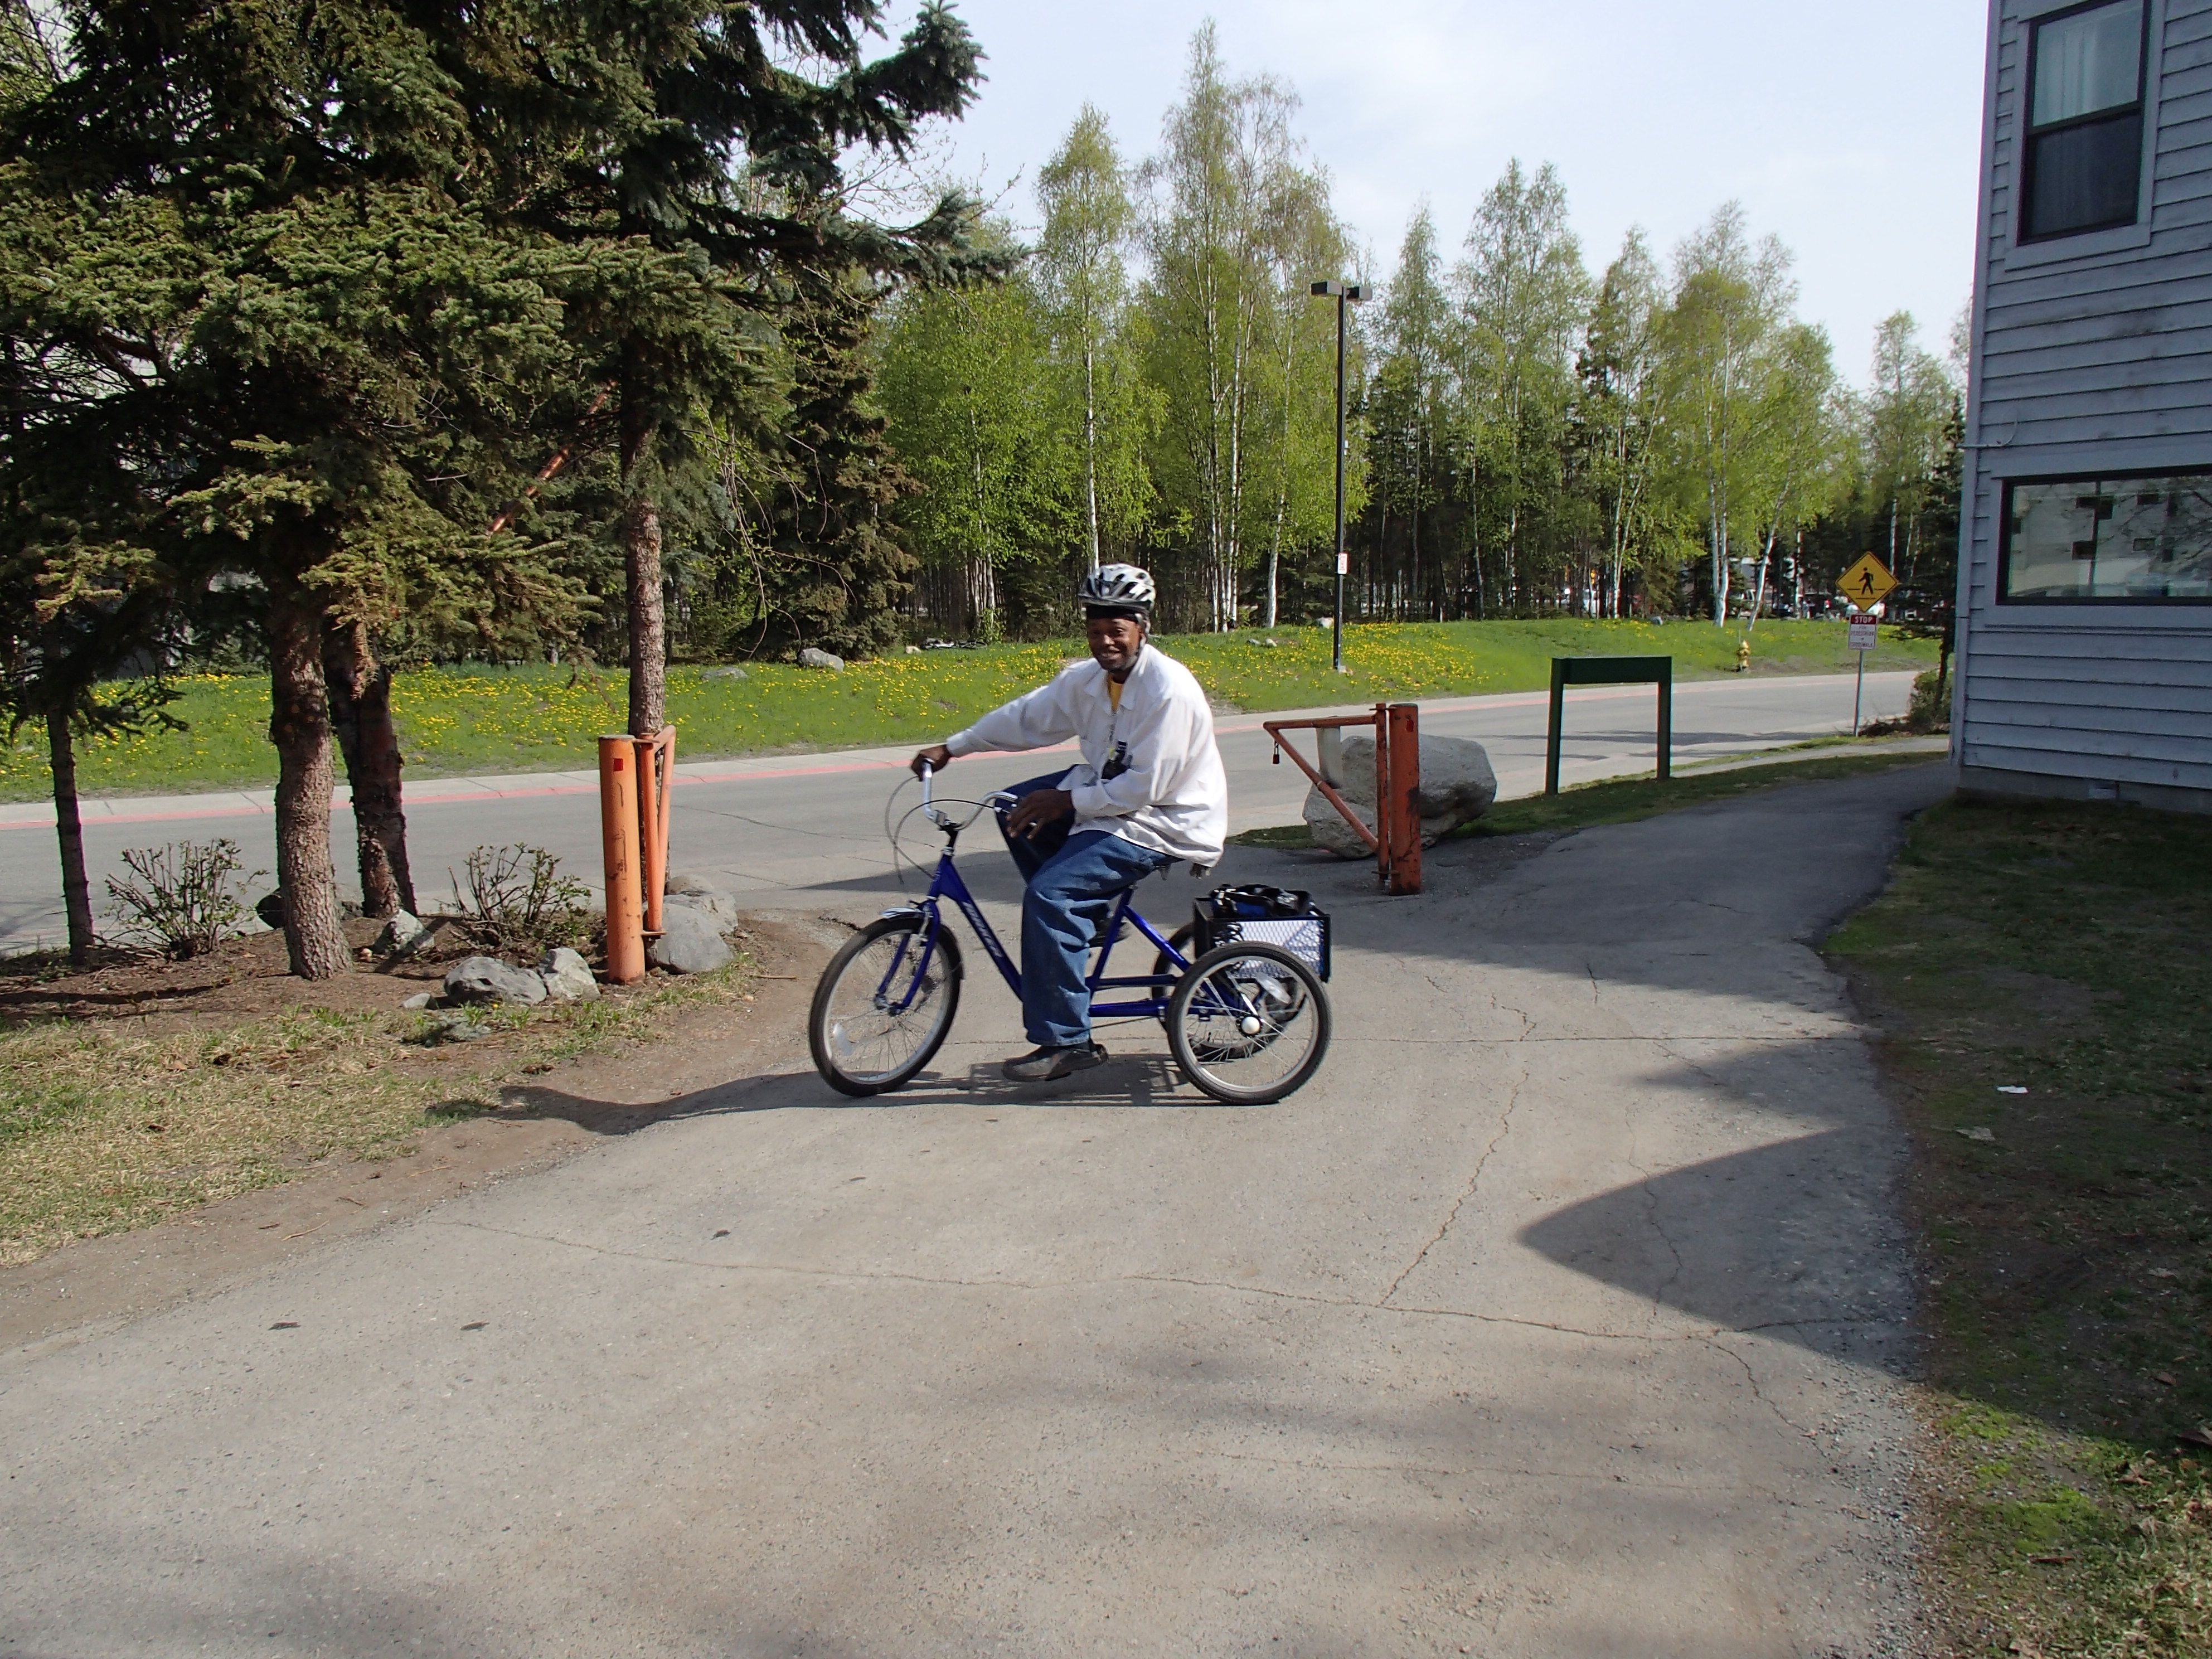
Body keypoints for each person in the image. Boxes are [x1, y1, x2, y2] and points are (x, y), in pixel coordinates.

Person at [911, 564, 1228, 1081]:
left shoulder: (1168, 690)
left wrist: (1069, 802)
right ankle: (1096, 917)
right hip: (1115, 797)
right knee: (1013, 806)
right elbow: (1025, 717)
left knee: (1051, 896)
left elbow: (1145, 788)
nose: (1105, 642)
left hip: (1164, 819)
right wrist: (953, 747)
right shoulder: (1087, 681)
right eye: (1095, 630)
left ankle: (1067, 1040)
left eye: (1116, 631)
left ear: (1142, 628)